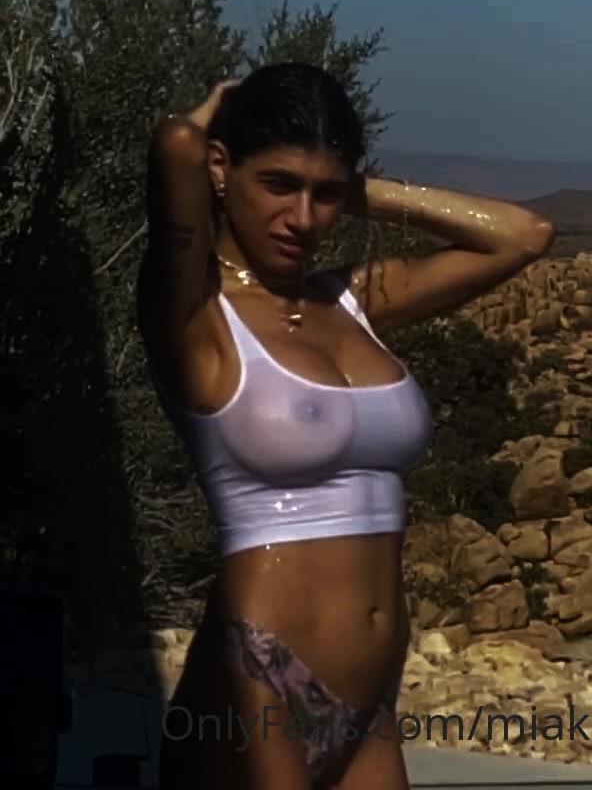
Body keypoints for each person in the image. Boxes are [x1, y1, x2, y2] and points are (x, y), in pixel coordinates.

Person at [137, 63, 555, 790]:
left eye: (326, 195)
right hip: (258, 676)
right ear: (220, 169)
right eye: (278, 185)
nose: (302, 219)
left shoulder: (352, 304)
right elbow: (175, 144)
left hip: (370, 697)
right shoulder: (198, 318)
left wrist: (357, 191)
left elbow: (523, 236)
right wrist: (208, 120)